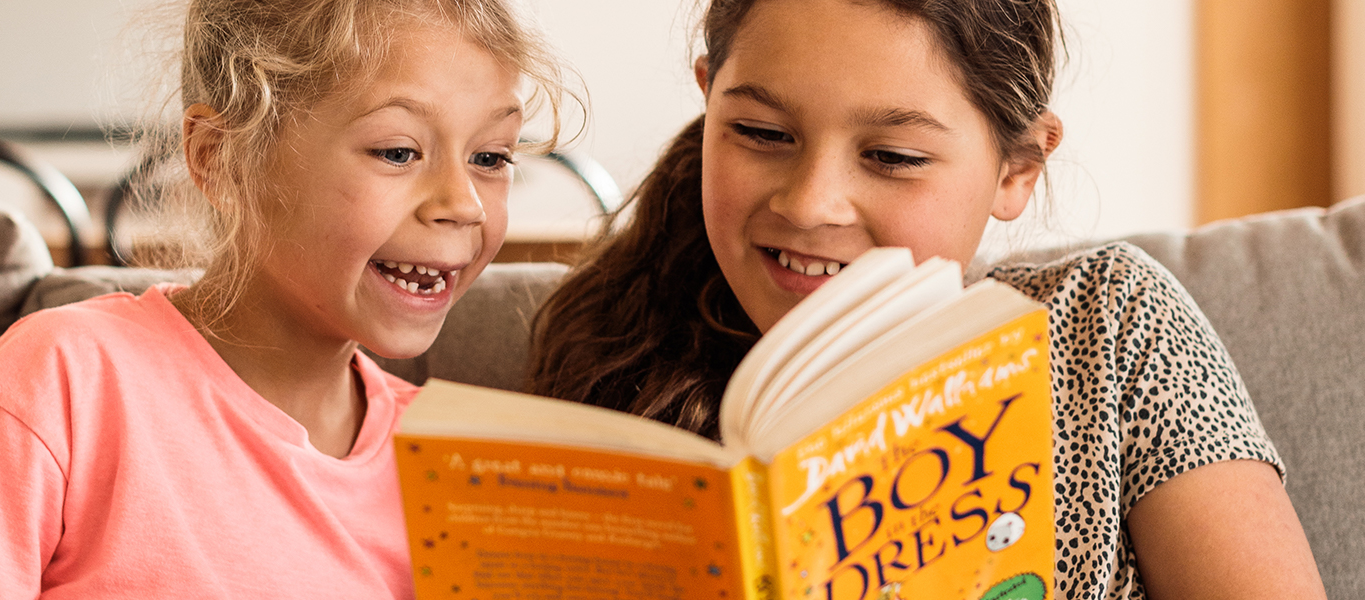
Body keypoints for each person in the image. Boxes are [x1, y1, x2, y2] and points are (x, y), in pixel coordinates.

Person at [527, 0, 1326, 598]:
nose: (810, 204)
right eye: (763, 134)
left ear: (1017, 168)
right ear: (710, 102)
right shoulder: (616, 358)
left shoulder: (1110, 330)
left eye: (893, 156)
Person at [0, 0, 574, 597]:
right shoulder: (64, 381)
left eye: (491, 158)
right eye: (397, 151)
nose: (464, 203)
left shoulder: (459, 473)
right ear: (221, 159)